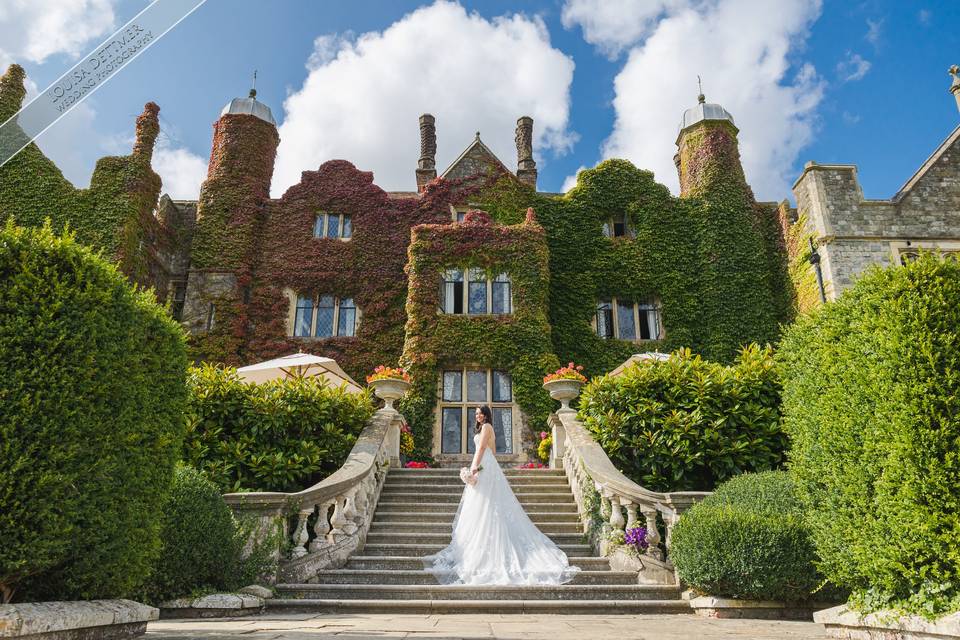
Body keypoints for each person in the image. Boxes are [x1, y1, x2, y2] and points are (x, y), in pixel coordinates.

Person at [423, 405, 581, 585]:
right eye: (476, 413)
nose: (478, 416)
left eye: (481, 413)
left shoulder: (487, 427)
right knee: (484, 505)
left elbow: (481, 448)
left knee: (487, 505)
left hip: (483, 465)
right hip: (487, 464)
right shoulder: (485, 428)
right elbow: (491, 450)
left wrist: (473, 468)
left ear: (487, 415)